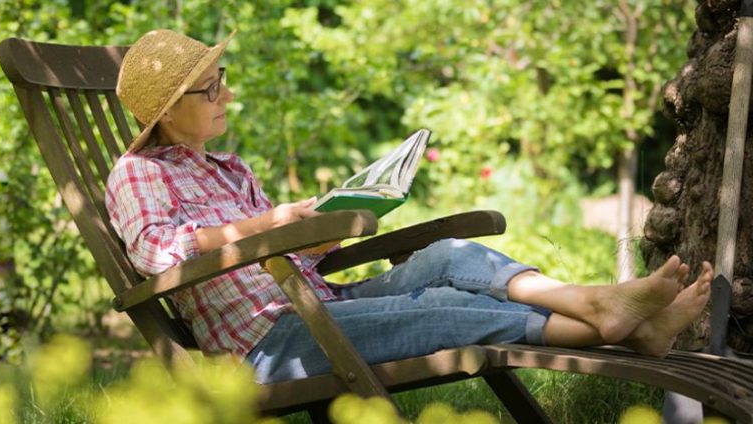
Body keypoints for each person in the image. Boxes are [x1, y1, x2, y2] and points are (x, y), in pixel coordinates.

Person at [106, 29, 714, 384]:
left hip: (316, 303)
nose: (226, 93)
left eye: (222, 77)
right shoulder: (137, 174)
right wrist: (267, 224)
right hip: (270, 343)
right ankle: (619, 325)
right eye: (210, 87)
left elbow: (289, 260)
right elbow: (155, 251)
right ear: (164, 111)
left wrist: (316, 237)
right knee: (445, 307)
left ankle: (604, 310)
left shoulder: (230, 168)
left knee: (446, 256)